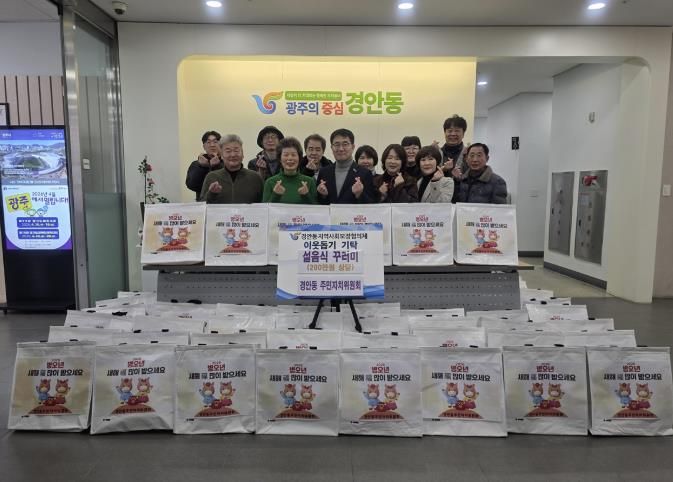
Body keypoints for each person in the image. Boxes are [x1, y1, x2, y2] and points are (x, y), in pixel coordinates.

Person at [316, 128, 376, 204]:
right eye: (337, 144)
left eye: (345, 144)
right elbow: (318, 203)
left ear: (353, 147)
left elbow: (371, 204)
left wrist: (359, 194)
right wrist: (323, 195)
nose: (341, 149)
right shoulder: (324, 172)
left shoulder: (365, 173)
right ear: (331, 147)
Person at [200, 134, 263, 204]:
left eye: (236, 150)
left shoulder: (255, 178)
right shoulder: (212, 177)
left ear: (243, 154)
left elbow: (263, 205)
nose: (233, 155)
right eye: (228, 151)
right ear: (222, 156)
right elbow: (201, 205)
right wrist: (211, 194)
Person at [263, 137, 317, 204]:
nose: (290, 158)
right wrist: (276, 195)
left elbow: (317, 208)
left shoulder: (310, 181)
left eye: (293, 155)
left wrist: (306, 195)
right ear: (280, 159)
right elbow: (264, 209)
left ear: (299, 158)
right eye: (286, 155)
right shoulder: (270, 182)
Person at [185, 131, 223, 200]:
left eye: (215, 142)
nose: (212, 145)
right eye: (208, 142)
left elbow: (229, 184)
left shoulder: (227, 163)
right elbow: (192, 185)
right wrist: (203, 167)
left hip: (225, 203)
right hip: (203, 202)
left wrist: (217, 166)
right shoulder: (196, 164)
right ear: (204, 146)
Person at [437, 115, 469, 179]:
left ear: (463, 134)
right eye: (450, 131)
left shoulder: (468, 154)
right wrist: (443, 169)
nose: (453, 134)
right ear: (445, 133)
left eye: (457, 131)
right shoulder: (437, 152)